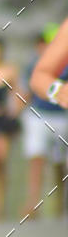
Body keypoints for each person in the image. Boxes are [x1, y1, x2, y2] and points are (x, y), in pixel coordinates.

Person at [21, 27, 68, 218]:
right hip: (38, 116)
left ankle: (60, 204)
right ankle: (33, 204)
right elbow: (24, 92)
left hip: (63, 117)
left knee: (60, 164)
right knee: (36, 159)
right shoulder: (33, 65)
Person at [0, 38, 21, 218]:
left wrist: (14, 113)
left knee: (2, 163)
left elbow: (19, 95)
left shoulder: (10, 70)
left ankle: (0, 206)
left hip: (3, 122)